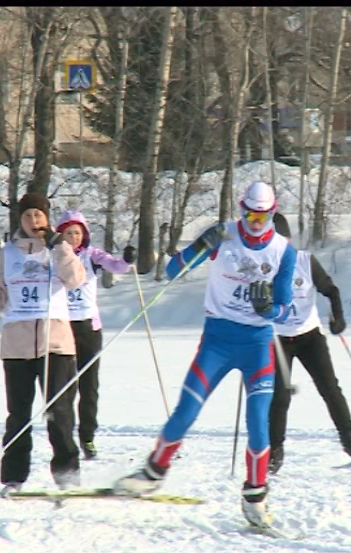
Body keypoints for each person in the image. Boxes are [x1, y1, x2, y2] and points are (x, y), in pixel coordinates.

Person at [114, 182, 297, 528]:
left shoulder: (283, 251)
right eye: (249, 214)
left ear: (273, 214)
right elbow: (171, 272)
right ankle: (153, 473)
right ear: (241, 209)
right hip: (218, 340)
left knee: (259, 422)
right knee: (187, 409)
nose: (255, 222)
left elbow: (288, 310)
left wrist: (269, 308)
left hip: (258, 345)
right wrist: (200, 245)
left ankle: (255, 497)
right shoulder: (223, 235)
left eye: (263, 215)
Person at [0, 192, 86, 494]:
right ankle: (13, 478)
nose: (33, 221)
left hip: (56, 344)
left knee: (59, 412)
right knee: (18, 415)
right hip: (17, 345)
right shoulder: (8, 253)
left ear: (47, 218)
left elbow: (76, 278)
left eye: (38, 215)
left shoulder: (59, 247)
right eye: (27, 216)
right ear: (20, 220)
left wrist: (59, 245)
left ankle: (67, 477)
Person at [267, 212, 351, 475]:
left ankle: (348, 438)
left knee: (330, 388)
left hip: (309, 336)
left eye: (282, 240)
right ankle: (274, 450)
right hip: (277, 340)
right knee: (279, 396)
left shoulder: (304, 261)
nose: (279, 246)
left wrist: (338, 317)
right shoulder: (261, 267)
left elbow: (331, 291)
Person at [55, 210, 138, 460]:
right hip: (62, 328)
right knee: (64, 387)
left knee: (89, 387)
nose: (73, 237)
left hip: (89, 328)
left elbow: (116, 265)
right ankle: (64, 436)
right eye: (68, 233)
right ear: (60, 234)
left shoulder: (91, 255)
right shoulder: (52, 256)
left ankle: (87, 437)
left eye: (78, 232)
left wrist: (127, 260)